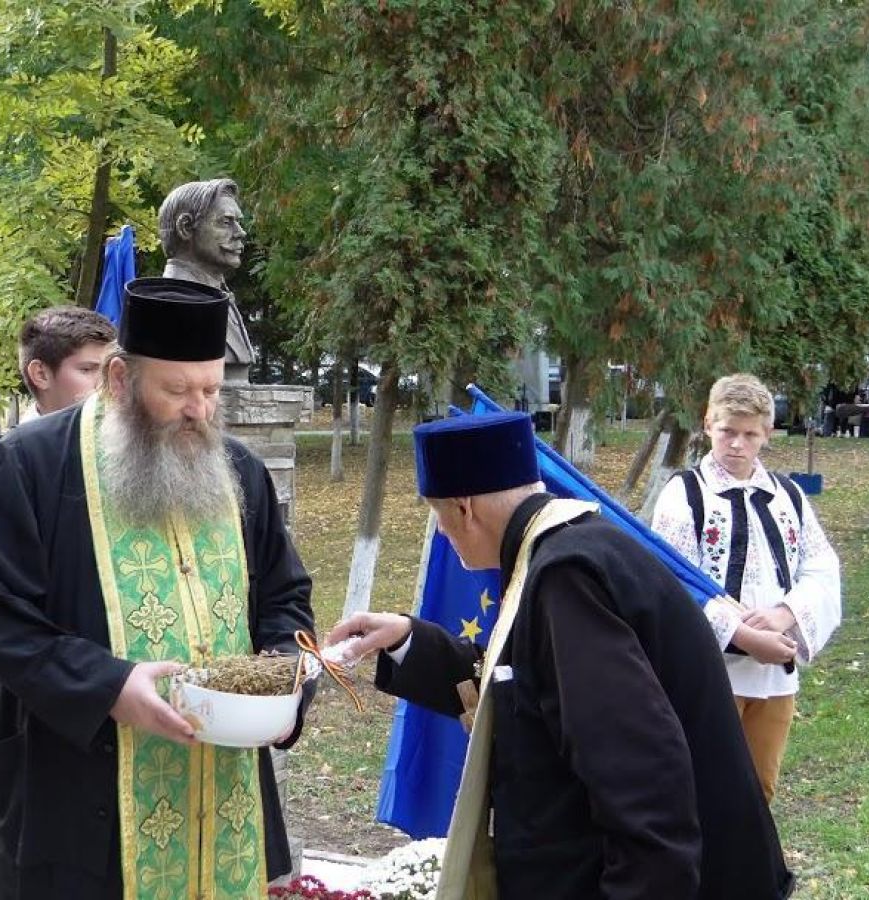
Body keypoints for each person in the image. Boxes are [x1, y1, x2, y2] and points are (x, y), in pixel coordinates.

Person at [328, 412, 794, 900]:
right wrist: (406, 639)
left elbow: (641, 778)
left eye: (437, 516)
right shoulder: (569, 549)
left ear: (464, 508)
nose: (442, 533)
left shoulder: (567, 578)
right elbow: (530, 689)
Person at [0, 277, 315, 899]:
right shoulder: (26, 465)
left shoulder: (239, 470)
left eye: (211, 389)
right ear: (120, 379)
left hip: (219, 796)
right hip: (76, 791)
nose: (198, 410)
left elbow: (285, 599)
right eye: (176, 390)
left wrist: (284, 682)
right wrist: (110, 687)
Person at [652, 373, 841, 802]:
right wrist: (742, 635)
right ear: (708, 424)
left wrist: (783, 615)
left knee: (759, 791)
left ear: (767, 434)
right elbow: (672, 583)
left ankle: (752, 850)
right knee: (704, 789)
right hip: (710, 674)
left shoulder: (788, 495)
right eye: (727, 431)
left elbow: (821, 567)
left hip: (774, 677)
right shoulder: (685, 495)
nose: (737, 444)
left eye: (750, 434)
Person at [0, 306, 117, 726]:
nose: (105, 383)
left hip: (98, 680)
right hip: (28, 687)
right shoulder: (7, 463)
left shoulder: (115, 454)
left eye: (110, 369)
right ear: (40, 374)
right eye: (88, 370)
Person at [159, 178, 255, 381]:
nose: (240, 232)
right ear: (186, 227)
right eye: (226, 222)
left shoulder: (217, 295)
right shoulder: (173, 307)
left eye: (238, 222)